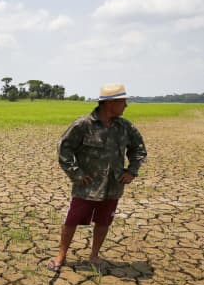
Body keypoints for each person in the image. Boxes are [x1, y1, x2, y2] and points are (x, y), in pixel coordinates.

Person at [47, 83, 147, 273]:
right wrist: (76, 173)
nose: (126, 106)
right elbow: (64, 149)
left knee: (103, 222)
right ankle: (61, 255)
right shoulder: (83, 125)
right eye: (123, 102)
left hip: (113, 186)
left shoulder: (125, 127)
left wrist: (132, 171)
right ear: (110, 103)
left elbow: (139, 149)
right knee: (72, 220)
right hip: (87, 186)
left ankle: (94, 256)